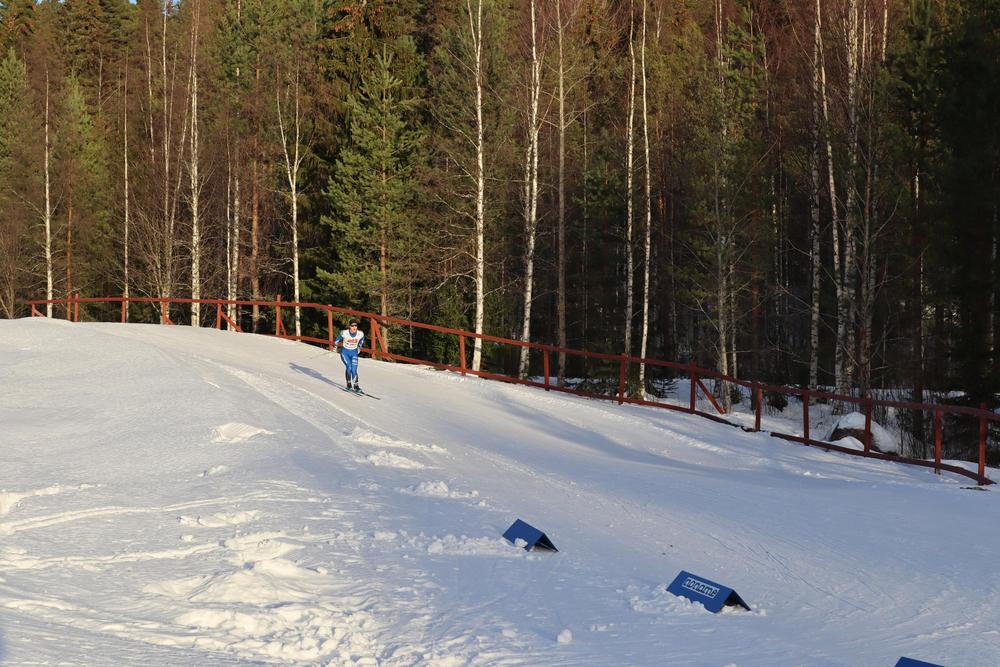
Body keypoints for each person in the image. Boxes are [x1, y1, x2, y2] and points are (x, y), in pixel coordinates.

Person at [335, 319, 366, 392]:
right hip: (345, 352)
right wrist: (335, 347)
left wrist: (359, 347)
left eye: (355, 325)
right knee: (349, 367)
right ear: (349, 326)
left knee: (354, 369)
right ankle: (349, 385)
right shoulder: (344, 333)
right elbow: (337, 339)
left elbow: (362, 339)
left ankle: (356, 386)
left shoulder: (360, 334)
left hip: (354, 352)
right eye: (352, 326)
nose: (354, 327)